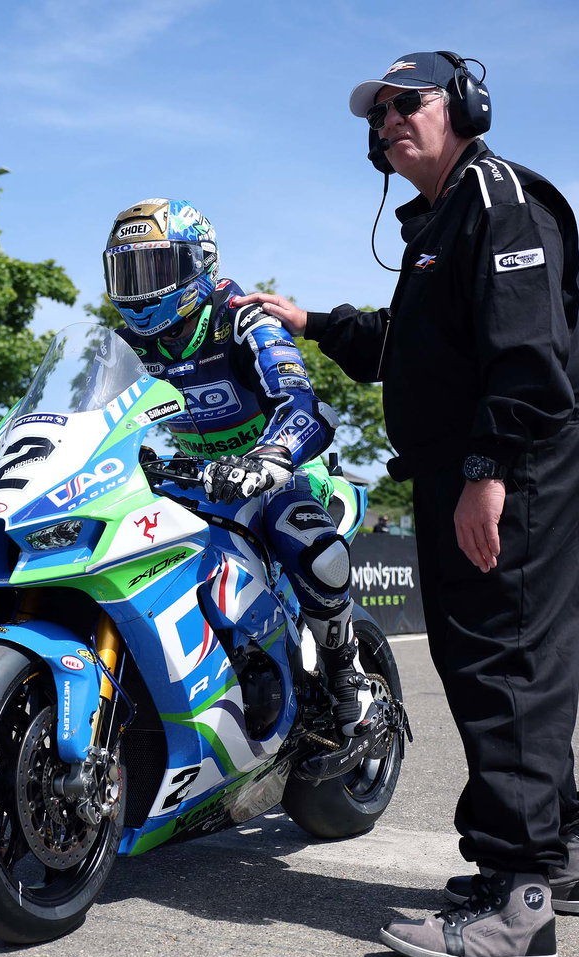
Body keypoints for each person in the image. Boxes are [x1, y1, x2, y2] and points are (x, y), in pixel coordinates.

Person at [233, 52, 579, 957]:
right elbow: (413, 346)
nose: (390, 121)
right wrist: (311, 321)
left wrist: (488, 470)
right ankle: (560, 854)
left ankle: (518, 902)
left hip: (513, 466)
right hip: (482, 464)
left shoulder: (498, 197)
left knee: (500, 661)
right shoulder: (441, 219)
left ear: (467, 106)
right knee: (512, 655)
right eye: (380, 114)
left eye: (410, 104)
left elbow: (526, 353)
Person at [103, 197, 372, 737]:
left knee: (302, 538)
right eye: (126, 270)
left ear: (199, 264)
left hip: (278, 467)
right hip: (194, 479)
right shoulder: (123, 344)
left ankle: (347, 672)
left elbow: (301, 403)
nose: (139, 285)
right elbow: (91, 418)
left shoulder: (243, 319)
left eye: (156, 267)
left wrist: (269, 456)